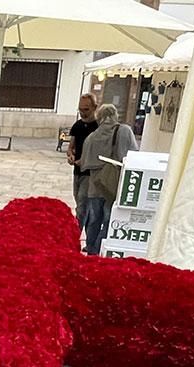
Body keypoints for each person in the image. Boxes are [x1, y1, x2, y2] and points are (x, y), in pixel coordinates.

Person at [79, 103, 138, 256]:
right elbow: (133, 156)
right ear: (115, 116)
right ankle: (100, 248)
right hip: (114, 185)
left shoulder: (91, 137)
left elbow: (84, 164)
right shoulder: (124, 131)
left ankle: (91, 250)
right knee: (108, 220)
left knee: (93, 220)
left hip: (95, 186)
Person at [65, 93, 99, 226]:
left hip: (90, 173)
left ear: (94, 107)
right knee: (78, 200)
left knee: (82, 204)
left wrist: (85, 160)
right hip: (77, 170)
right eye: (80, 109)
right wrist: (70, 155)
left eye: (86, 109)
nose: (83, 113)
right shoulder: (77, 125)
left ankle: (77, 232)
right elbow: (71, 147)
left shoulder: (98, 127)